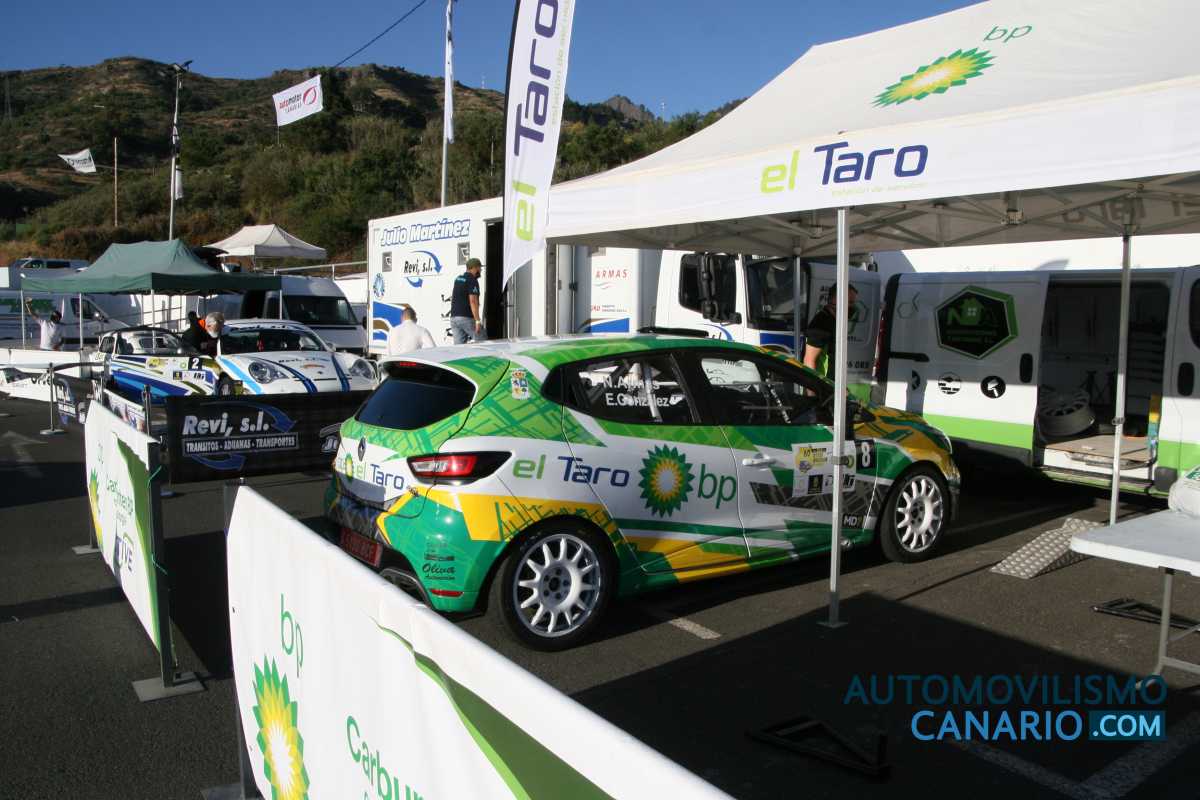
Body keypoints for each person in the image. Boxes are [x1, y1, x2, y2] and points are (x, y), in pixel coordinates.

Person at [803, 283, 858, 379]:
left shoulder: (834, 321)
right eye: (850, 302)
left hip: (832, 383)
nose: (853, 307)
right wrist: (813, 387)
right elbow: (809, 360)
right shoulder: (821, 323)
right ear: (837, 300)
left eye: (853, 303)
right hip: (822, 383)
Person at [449, 257, 485, 344]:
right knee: (483, 341)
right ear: (475, 268)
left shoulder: (458, 279)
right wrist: (477, 321)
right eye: (479, 268)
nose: (481, 270)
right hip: (466, 317)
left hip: (454, 318)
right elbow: (473, 301)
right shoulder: (472, 280)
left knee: (459, 347)